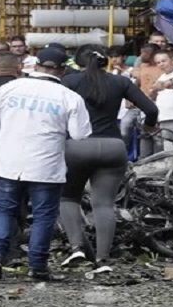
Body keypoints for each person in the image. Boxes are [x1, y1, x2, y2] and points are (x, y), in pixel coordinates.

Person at [0, 48, 91, 281]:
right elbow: (80, 134)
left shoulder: (8, 89)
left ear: (35, 65)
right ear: (61, 70)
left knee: (5, 209)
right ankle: (37, 266)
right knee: (43, 215)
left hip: (7, 161)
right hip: (45, 165)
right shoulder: (69, 97)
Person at [58, 44, 159, 266]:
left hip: (77, 146)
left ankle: (77, 248)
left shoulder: (69, 82)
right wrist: (150, 127)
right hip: (113, 147)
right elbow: (151, 110)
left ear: (79, 62)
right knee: (104, 204)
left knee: (67, 198)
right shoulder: (120, 82)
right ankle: (103, 259)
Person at [149, 50, 173, 147]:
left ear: (172, 60)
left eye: (164, 61)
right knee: (169, 148)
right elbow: (153, 95)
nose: (161, 64)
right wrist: (154, 90)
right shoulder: (161, 77)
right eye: (158, 62)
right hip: (164, 117)